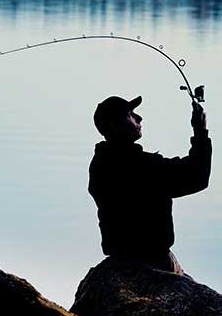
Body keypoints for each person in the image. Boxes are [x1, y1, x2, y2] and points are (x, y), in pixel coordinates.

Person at [88, 95, 211, 274]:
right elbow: (196, 176)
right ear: (114, 125)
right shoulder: (141, 166)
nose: (139, 118)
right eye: (130, 114)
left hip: (119, 257)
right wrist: (200, 131)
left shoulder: (99, 163)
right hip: (153, 261)